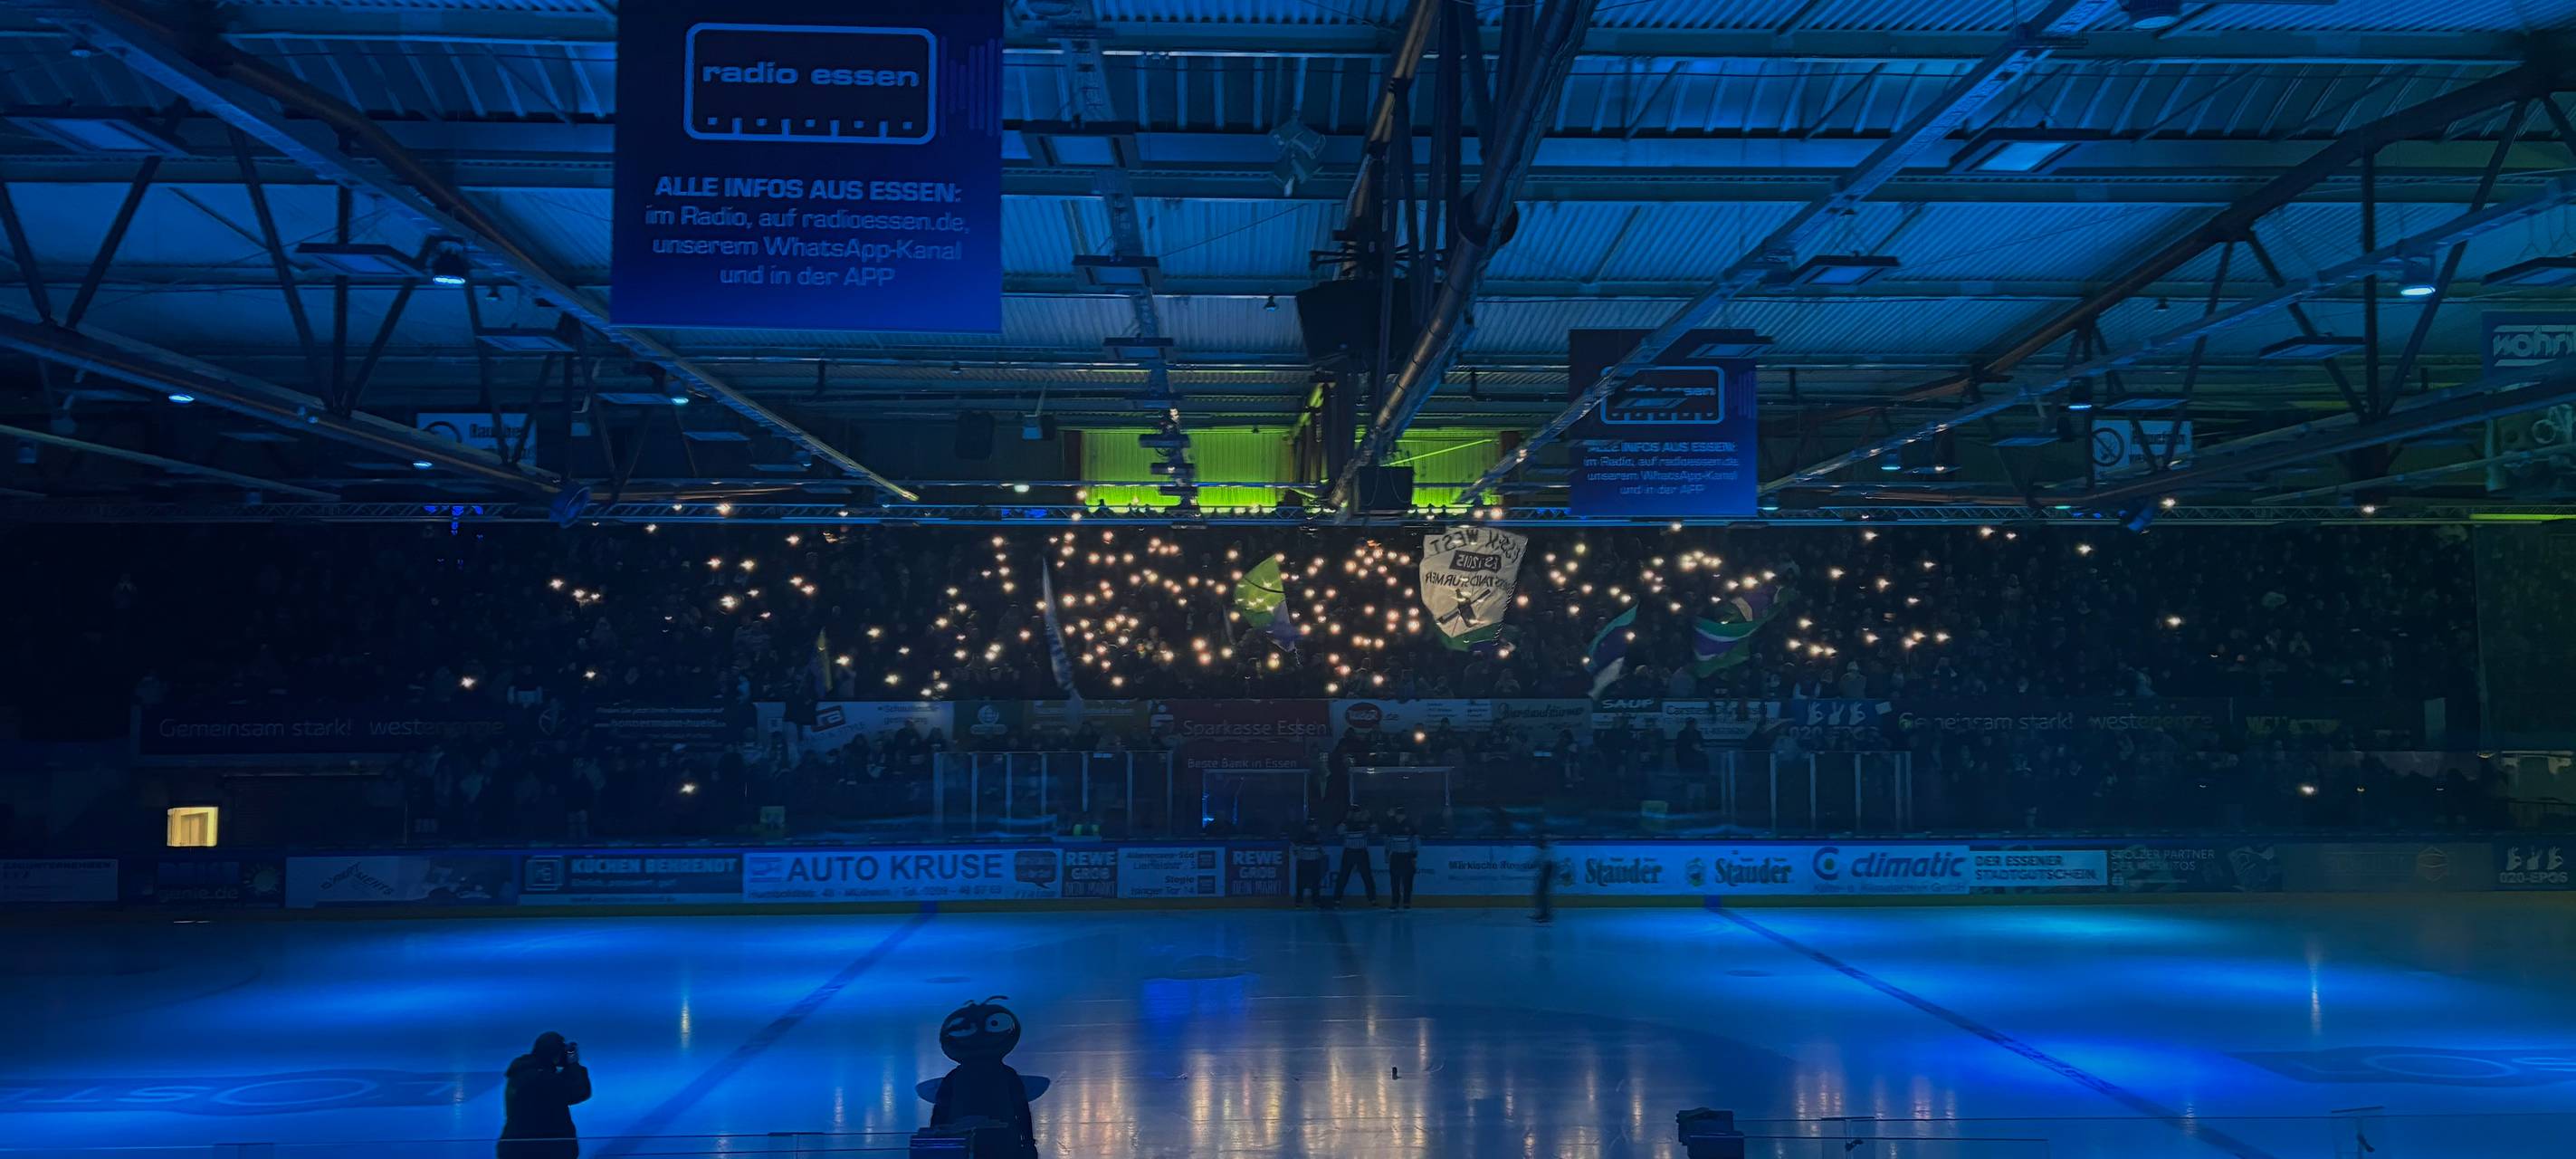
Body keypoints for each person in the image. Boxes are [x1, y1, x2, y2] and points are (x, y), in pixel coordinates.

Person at [927, 998, 1040, 1159]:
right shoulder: (1008, 1076)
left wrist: (935, 1139)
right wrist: (1028, 1143)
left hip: (966, 1143)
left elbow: (941, 1111)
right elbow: (1021, 1110)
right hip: (1004, 1144)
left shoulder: (953, 1078)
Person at [497, 1031, 591, 1159]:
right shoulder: (544, 1079)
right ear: (555, 1054)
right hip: (546, 1148)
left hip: (515, 1145)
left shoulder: (520, 1071)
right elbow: (579, 1091)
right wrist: (573, 1065)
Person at [1333, 807, 1379, 907]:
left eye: (1358, 812)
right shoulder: (1346, 824)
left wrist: (1370, 818)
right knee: (1343, 877)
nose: (1356, 815)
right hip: (1349, 852)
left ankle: (1372, 899)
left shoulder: (1365, 823)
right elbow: (1339, 831)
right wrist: (1346, 819)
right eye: (1354, 812)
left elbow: (1375, 830)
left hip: (1361, 852)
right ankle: (1337, 899)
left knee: (1367, 877)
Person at [1383, 805, 1419, 911]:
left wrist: (1414, 857)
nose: (1399, 817)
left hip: (1407, 857)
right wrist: (1386, 854)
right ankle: (1395, 902)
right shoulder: (1392, 826)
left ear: (1405, 816)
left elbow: (1415, 843)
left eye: (1401, 815)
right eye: (1398, 815)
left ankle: (1406, 902)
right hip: (1396, 856)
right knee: (1394, 881)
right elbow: (1387, 841)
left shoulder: (1411, 826)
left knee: (1407, 881)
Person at [1291, 822, 1328, 907]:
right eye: (1311, 825)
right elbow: (1294, 848)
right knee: (1300, 883)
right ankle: (1299, 902)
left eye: (1315, 825)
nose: (1313, 827)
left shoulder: (1320, 836)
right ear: (1308, 827)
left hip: (1314, 862)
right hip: (1303, 862)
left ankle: (1316, 901)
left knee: (1315, 883)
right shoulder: (1301, 836)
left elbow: (1323, 851)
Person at [1531, 833, 1555, 924]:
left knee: (1542, 893)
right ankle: (1543, 913)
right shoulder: (1542, 851)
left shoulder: (1547, 851)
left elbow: (1548, 865)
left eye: (1539, 842)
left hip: (1547, 873)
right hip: (1545, 873)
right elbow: (1537, 862)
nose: (1537, 844)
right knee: (1541, 893)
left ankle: (1546, 914)